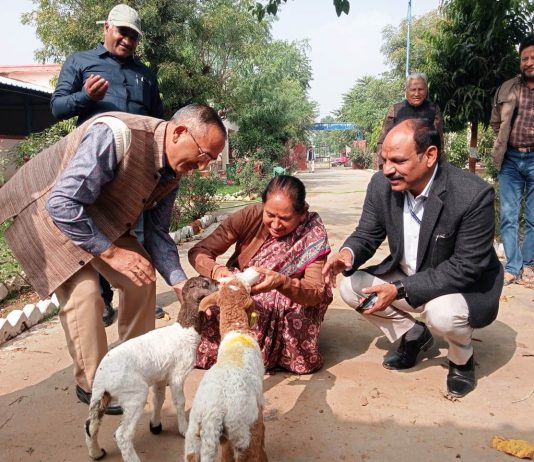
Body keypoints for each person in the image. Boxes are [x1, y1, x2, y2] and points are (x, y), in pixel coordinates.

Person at [0, 104, 226, 413]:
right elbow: (63, 203)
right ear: (179, 132)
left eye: (210, 161)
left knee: (142, 277)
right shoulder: (116, 135)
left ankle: (131, 367)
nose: (203, 167)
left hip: (99, 218)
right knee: (86, 295)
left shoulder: (172, 172)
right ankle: (95, 384)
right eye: (204, 156)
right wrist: (111, 252)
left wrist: (178, 281)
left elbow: (158, 233)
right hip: (52, 214)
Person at [323, 118, 503, 398]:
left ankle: (461, 358)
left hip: (459, 287)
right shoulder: (381, 185)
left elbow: (466, 268)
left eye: (397, 161)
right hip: (410, 276)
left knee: (441, 314)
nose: (387, 170)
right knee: (350, 286)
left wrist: (399, 289)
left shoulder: (472, 195)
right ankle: (412, 334)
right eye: (383, 160)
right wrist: (347, 254)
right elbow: (367, 233)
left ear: (429, 156)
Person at [50, 4, 165, 324]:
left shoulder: (145, 74)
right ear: (106, 28)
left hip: (134, 171)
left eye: (133, 36)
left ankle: (138, 292)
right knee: (94, 227)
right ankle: (102, 299)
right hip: (94, 168)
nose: (127, 40)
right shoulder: (81, 62)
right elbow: (57, 108)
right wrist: (85, 97)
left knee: (136, 230)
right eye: (122, 32)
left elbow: (158, 119)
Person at [188, 175, 333, 374]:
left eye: (285, 218)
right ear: (262, 206)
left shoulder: (313, 233)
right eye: (270, 215)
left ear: (301, 214)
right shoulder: (250, 216)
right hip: (240, 286)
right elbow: (200, 251)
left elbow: (315, 291)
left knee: (293, 312)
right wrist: (219, 271)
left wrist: (282, 282)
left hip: (289, 295)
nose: (275, 224)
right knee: (199, 296)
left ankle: (278, 350)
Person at [490, 34, 534, 286]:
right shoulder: (508, 88)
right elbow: (496, 121)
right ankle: (513, 266)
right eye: (524, 58)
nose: (528, 62)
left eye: (533, 58)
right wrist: (502, 142)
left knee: (532, 217)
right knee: (508, 214)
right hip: (511, 160)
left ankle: (528, 265)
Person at [376, 72, 444, 169]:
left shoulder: (434, 110)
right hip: (399, 165)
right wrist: (383, 166)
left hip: (425, 166)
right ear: (406, 90)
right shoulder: (395, 110)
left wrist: (440, 167)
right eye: (413, 90)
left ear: (426, 90)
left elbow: (439, 142)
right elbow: (382, 141)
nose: (417, 94)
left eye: (420, 89)